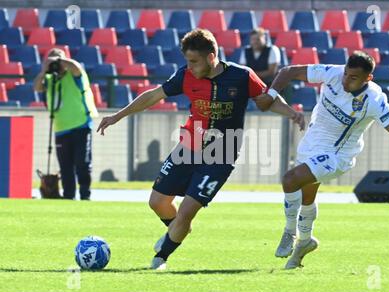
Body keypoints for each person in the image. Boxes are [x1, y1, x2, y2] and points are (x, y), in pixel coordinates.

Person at [97, 29, 304, 270]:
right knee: (157, 202)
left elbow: (265, 101)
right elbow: (153, 96)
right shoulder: (185, 75)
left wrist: (292, 113)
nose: (190, 66)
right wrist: (117, 116)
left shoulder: (242, 76)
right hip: (189, 144)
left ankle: (160, 258)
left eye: (193, 61)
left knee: (186, 211)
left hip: (222, 152)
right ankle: (177, 230)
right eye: (187, 61)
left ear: (211, 57)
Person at [255, 51, 389, 269]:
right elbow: (288, 71)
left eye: (353, 78)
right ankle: (305, 242)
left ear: (367, 79)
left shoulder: (374, 100)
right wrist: (271, 93)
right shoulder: (333, 72)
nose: (345, 80)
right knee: (306, 195)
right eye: (346, 74)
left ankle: (289, 232)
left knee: (290, 179)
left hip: (338, 155)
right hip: (312, 143)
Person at [33, 48, 98, 200]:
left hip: (81, 125)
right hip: (61, 129)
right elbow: (37, 87)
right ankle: (69, 196)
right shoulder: (49, 79)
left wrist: (60, 60)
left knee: (82, 163)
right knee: (65, 167)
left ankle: (85, 195)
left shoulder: (74, 75)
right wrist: (44, 70)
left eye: (59, 60)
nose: (57, 64)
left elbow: (76, 68)